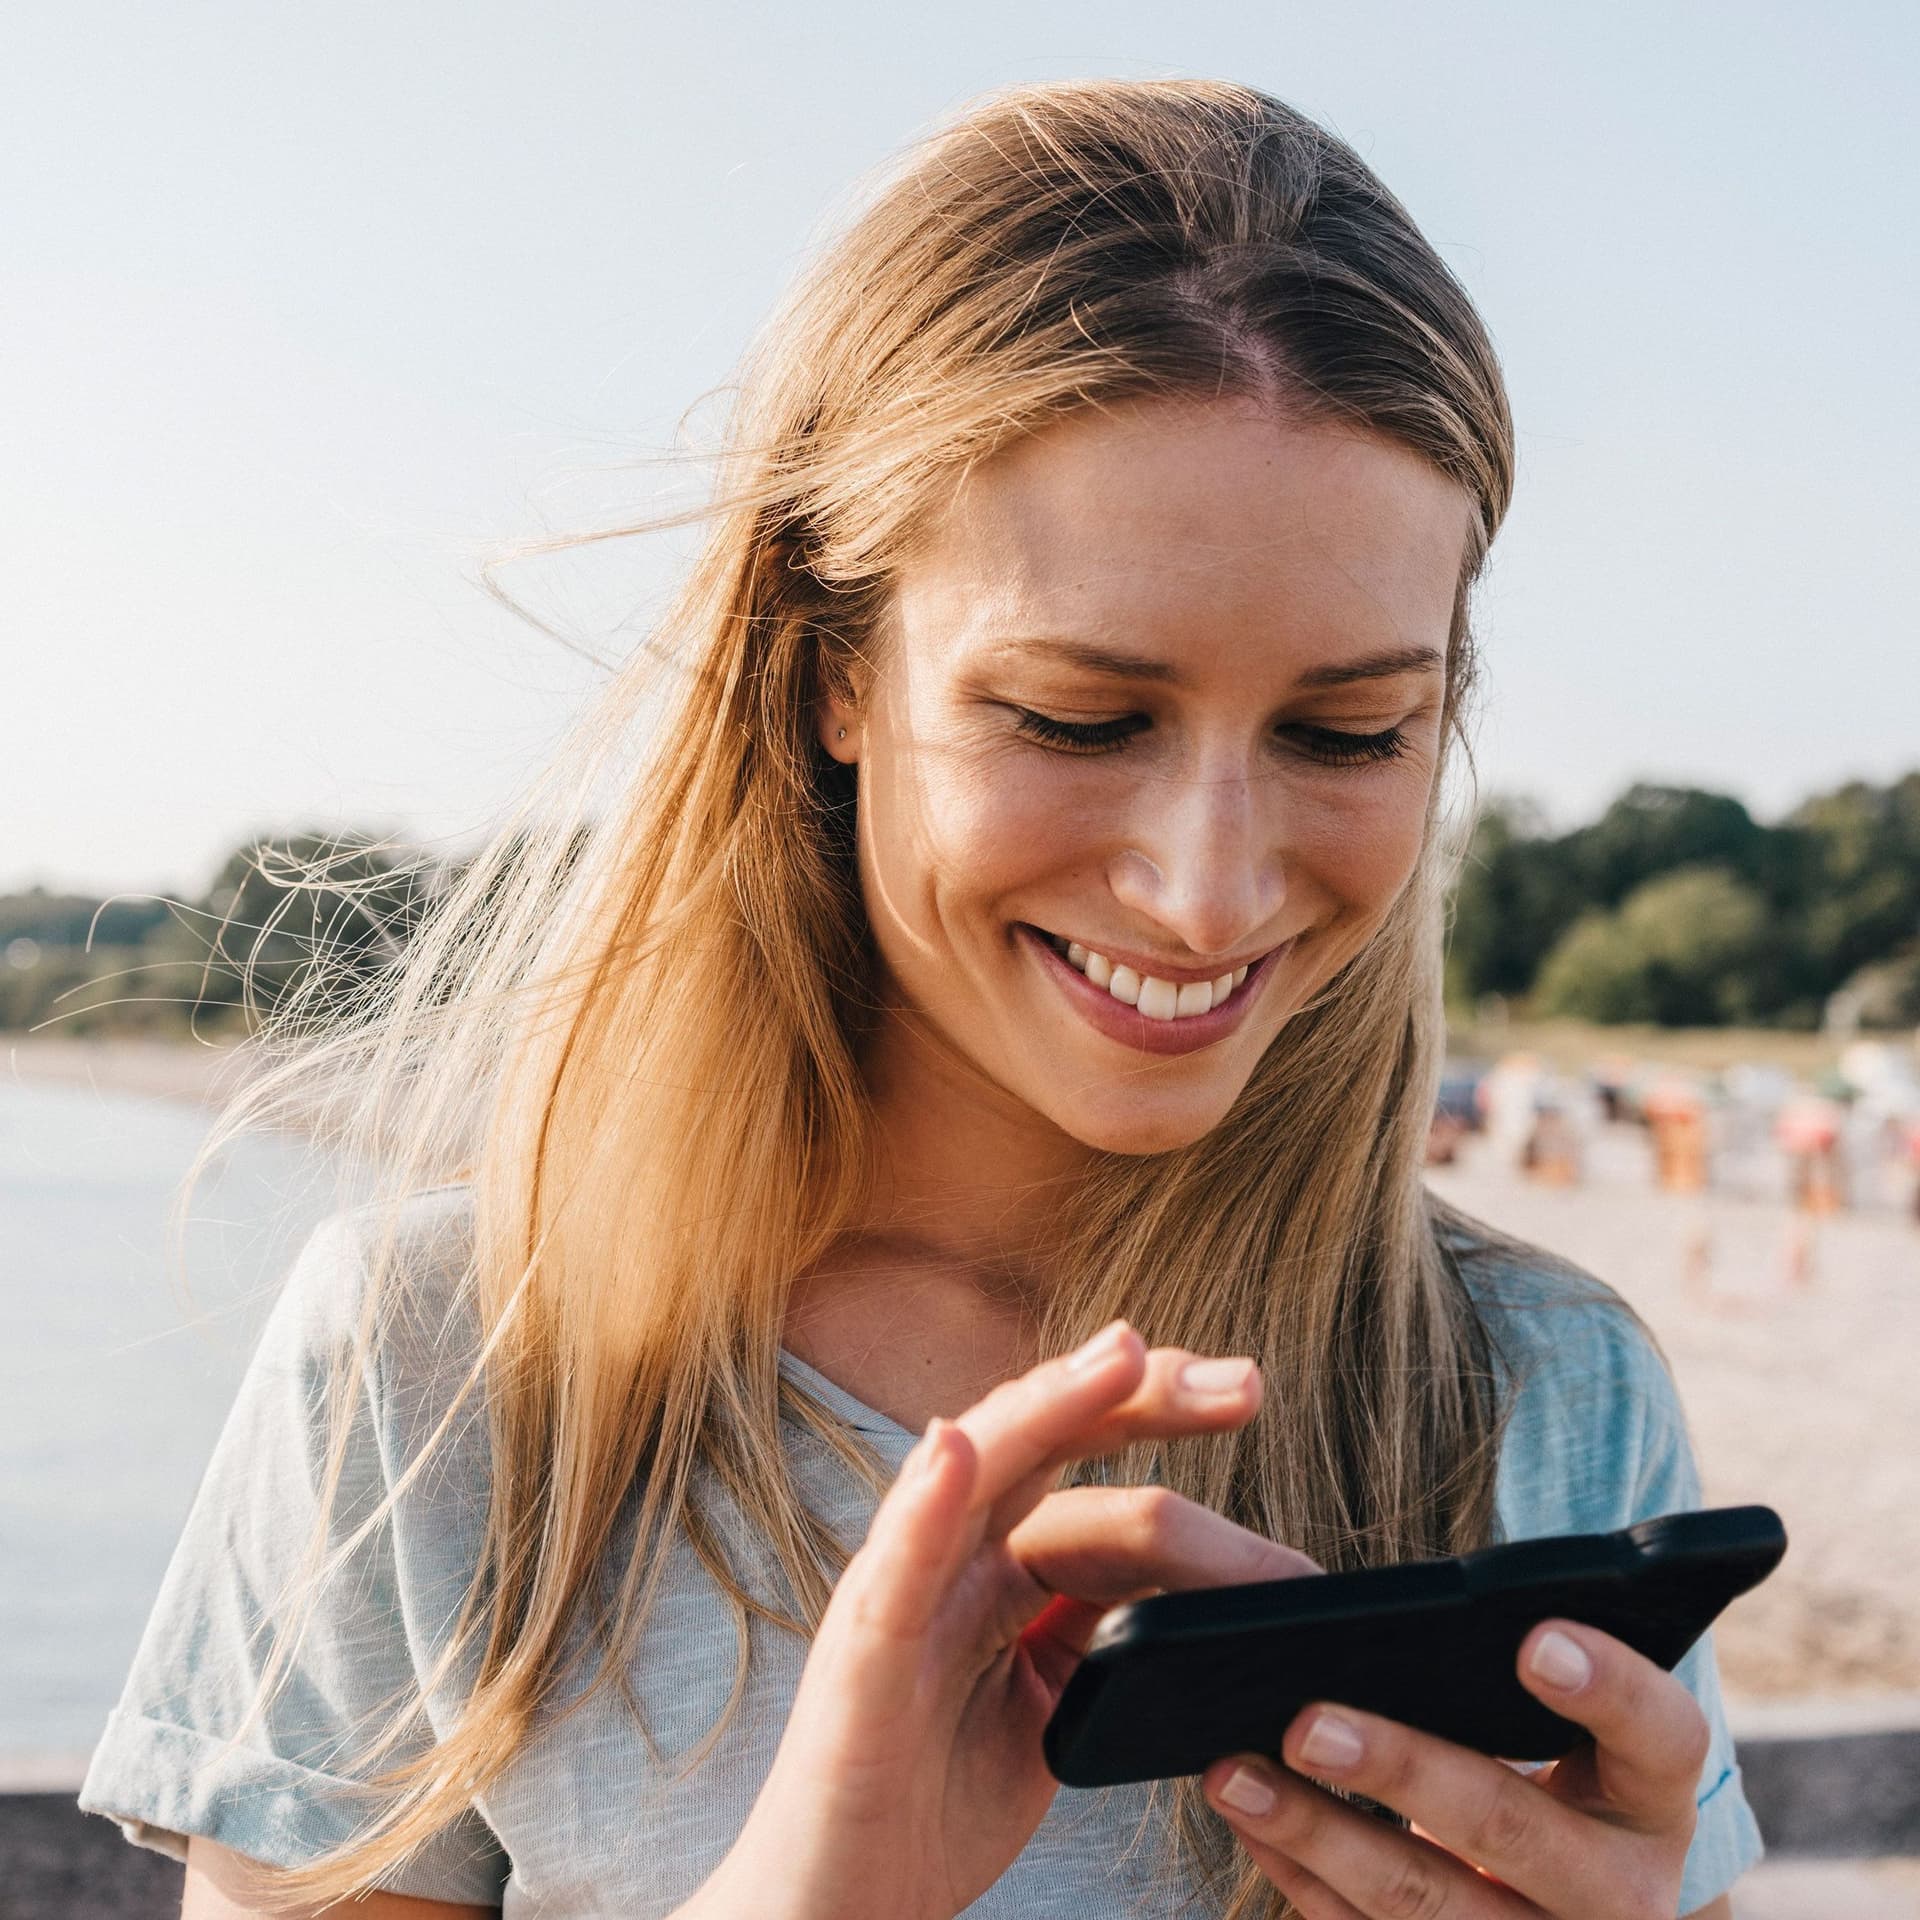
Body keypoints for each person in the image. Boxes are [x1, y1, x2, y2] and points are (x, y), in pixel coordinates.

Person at [76, 79, 1760, 1919]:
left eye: (1348, 732)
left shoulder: (1541, 1390)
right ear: (829, 674)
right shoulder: (438, 1376)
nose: (1208, 886)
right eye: (1076, 717)